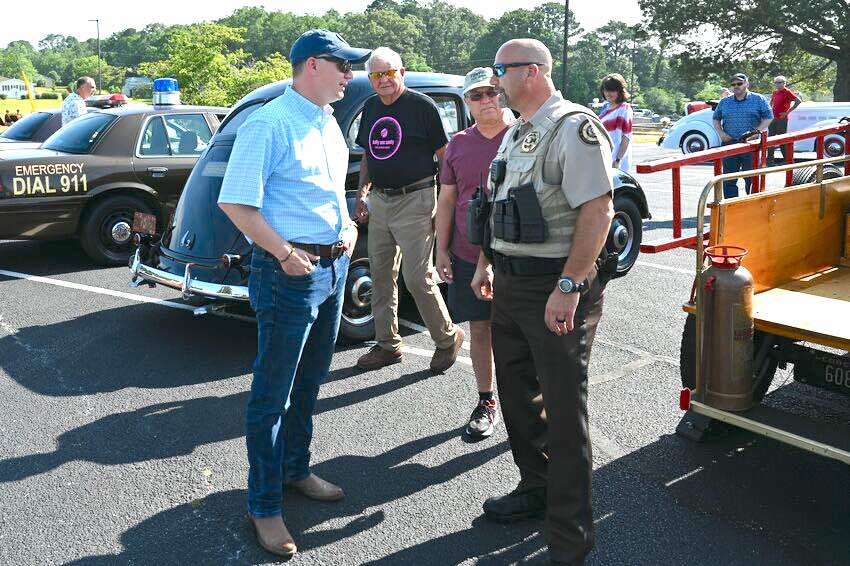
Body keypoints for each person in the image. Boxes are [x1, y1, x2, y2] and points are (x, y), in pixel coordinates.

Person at [217, 29, 368, 560]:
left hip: (331, 267)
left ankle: (295, 470)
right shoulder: (270, 124)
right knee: (272, 395)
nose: (350, 74)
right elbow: (236, 203)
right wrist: (283, 252)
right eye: (342, 65)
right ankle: (263, 504)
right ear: (310, 67)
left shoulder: (326, 120)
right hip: (288, 273)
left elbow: (327, 190)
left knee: (310, 381)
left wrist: (347, 226)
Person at [472, 38, 615, 566]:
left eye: (500, 72)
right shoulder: (519, 133)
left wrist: (571, 285)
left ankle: (570, 539)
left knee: (562, 407)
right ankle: (535, 487)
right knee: (516, 393)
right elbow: (498, 205)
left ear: (530, 72)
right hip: (509, 284)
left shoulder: (571, 127)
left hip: (553, 286)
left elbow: (597, 210)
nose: (494, 82)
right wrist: (487, 262)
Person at [353, 46, 465, 373]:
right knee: (380, 275)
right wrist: (363, 193)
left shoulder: (422, 107)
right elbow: (369, 156)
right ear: (371, 79)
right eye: (377, 74)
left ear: (401, 73)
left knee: (417, 278)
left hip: (417, 200)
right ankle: (387, 345)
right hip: (381, 201)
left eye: (390, 72)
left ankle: (447, 338)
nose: (384, 80)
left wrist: (442, 206)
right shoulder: (371, 107)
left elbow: (446, 159)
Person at [435, 67, 514, 438]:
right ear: (466, 102)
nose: (486, 101)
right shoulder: (458, 145)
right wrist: (441, 251)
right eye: (476, 95)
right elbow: (448, 198)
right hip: (466, 253)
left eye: (491, 93)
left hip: (516, 256)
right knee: (480, 329)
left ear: (502, 93)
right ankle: (487, 400)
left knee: (525, 333)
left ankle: (533, 404)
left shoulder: (523, 136)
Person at [712, 72, 773, 198]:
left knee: (751, 178)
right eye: (733, 84)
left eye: (739, 83)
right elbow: (716, 118)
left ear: (747, 84)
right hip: (729, 144)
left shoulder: (758, 99)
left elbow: (768, 117)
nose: (736, 86)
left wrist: (756, 132)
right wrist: (721, 133)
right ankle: (731, 206)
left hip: (751, 146)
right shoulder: (724, 102)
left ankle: (751, 205)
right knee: (728, 179)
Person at [597, 73, 633, 171]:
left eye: (613, 90)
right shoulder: (604, 108)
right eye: (606, 90)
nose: (609, 93)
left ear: (620, 91)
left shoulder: (624, 108)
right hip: (603, 158)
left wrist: (618, 160)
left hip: (616, 162)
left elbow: (626, 137)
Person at [768, 75, 802, 164]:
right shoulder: (775, 92)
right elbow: (771, 102)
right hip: (773, 118)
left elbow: (798, 101)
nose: (777, 85)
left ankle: (788, 160)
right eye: (776, 83)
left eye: (779, 83)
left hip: (782, 119)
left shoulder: (787, 92)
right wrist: (770, 110)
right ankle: (770, 160)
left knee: (782, 139)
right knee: (770, 139)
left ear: (784, 83)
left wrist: (787, 112)